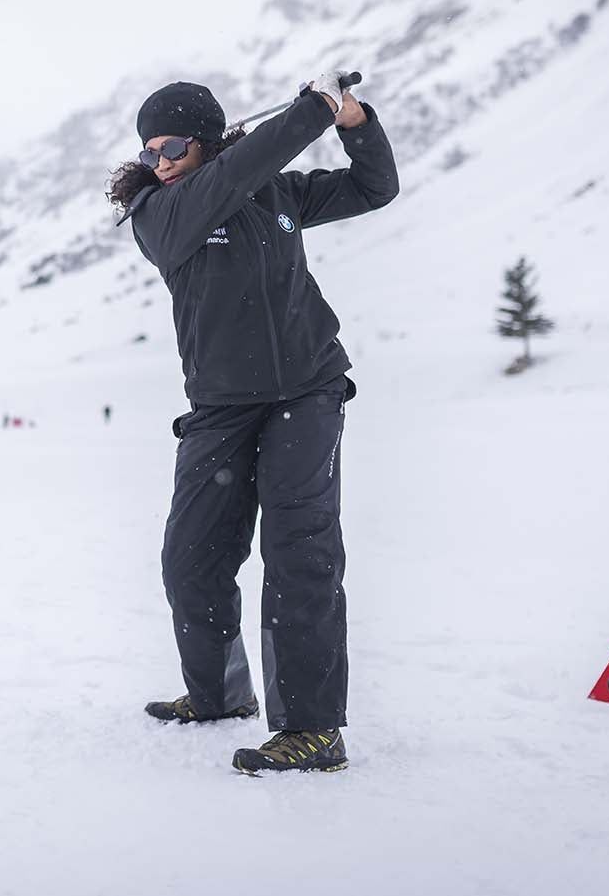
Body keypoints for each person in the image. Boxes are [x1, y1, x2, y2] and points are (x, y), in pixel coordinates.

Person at [108, 74, 398, 775]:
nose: (159, 159)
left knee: (300, 553)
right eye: (148, 150)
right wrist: (312, 110)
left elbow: (374, 187)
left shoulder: (277, 193)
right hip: (219, 407)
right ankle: (219, 693)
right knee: (191, 557)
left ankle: (310, 729)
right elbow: (232, 175)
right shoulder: (159, 211)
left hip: (307, 390)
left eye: (172, 144)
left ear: (203, 139)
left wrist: (355, 120)